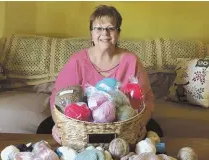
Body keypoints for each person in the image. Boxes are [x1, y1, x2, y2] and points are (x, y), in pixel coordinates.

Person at [36, 5, 163, 143]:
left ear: (118, 33)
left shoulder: (131, 60)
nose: (105, 33)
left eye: (110, 28)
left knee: (156, 131)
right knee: (44, 128)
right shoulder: (77, 61)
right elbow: (57, 98)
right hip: (82, 125)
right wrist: (60, 125)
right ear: (91, 33)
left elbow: (147, 100)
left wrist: (141, 124)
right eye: (98, 28)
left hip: (123, 124)